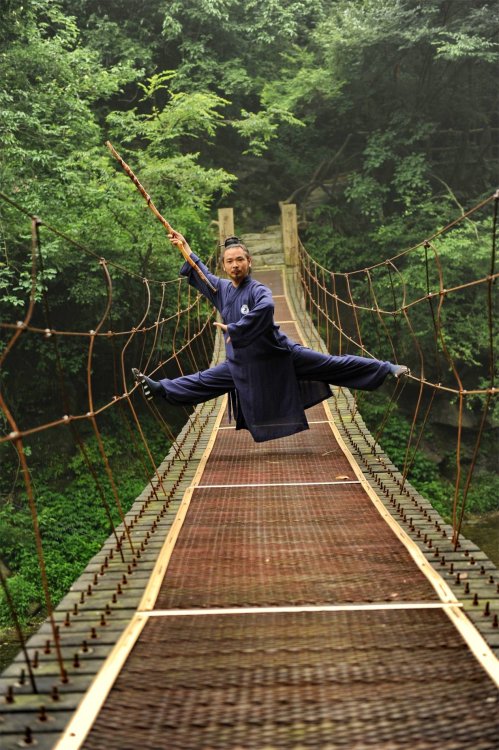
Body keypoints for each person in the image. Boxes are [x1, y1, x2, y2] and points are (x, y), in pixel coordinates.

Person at [133, 232, 409, 443]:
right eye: (229, 261)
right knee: (205, 380)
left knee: (331, 365)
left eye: (240, 259)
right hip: (243, 361)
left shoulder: (258, 289)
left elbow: (266, 309)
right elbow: (201, 273)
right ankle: (161, 388)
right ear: (225, 265)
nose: (235, 265)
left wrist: (237, 329)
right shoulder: (221, 289)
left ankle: (385, 368)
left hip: (278, 356)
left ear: (249, 262)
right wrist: (185, 247)